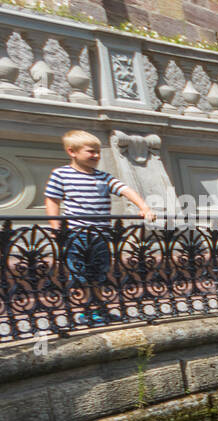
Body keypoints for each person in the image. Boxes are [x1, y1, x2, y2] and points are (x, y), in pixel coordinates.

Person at [43, 129, 156, 324]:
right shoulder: (61, 174)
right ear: (72, 152)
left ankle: (99, 308)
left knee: (99, 274)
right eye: (90, 151)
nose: (96, 155)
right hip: (77, 233)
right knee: (81, 275)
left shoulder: (103, 177)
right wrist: (55, 227)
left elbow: (125, 190)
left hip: (100, 235)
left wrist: (144, 207)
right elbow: (52, 200)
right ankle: (85, 311)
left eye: (98, 151)